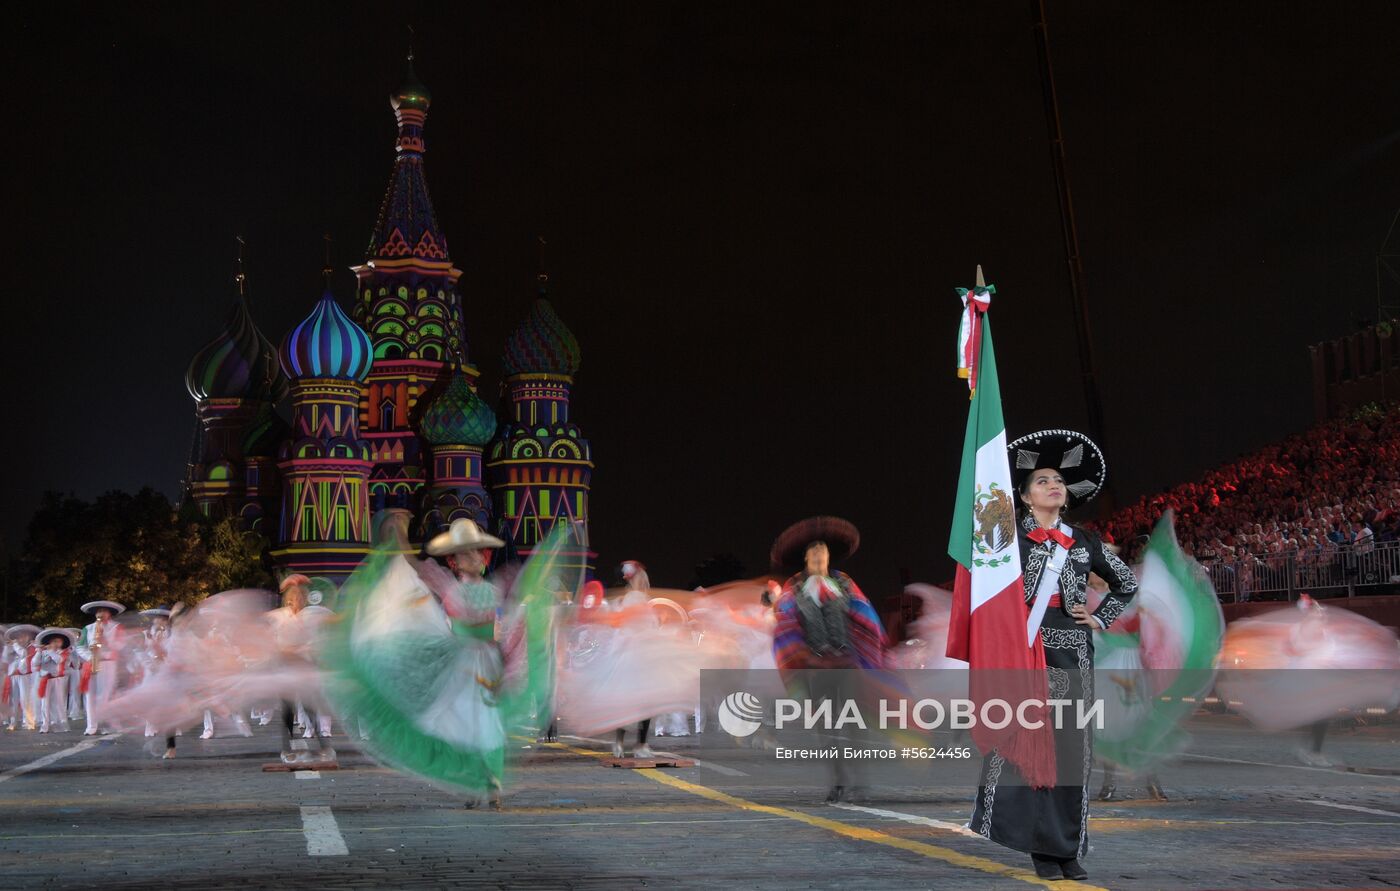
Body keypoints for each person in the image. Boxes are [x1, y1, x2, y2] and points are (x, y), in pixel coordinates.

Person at [970, 430, 1137, 882]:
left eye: (1058, 481)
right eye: (1041, 481)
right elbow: (981, 585)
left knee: (1070, 753)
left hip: (1073, 656)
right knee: (1025, 749)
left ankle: (1067, 847)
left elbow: (1126, 583)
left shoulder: (1083, 540)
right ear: (1024, 496)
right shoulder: (1005, 540)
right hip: (1025, 652)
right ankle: (1038, 847)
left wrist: (1100, 618)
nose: (1053, 486)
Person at [770, 516, 887, 803]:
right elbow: (783, 624)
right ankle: (838, 780)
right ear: (806, 556)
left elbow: (864, 615)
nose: (821, 553)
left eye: (824, 549)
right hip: (815, 668)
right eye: (815, 549)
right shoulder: (795, 587)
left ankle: (859, 779)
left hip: (846, 665)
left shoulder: (843, 582)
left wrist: (870, 645)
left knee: (854, 723)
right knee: (827, 726)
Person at [266, 575, 324, 761]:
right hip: (285, 669)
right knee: (288, 710)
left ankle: (324, 746)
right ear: (289, 598)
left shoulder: (311, 614)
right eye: (295, 597)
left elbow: (332, 621)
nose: (298, 600)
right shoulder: (280, 615)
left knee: (310, 708)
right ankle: (287, 748)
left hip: (304, 669)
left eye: (302, 597)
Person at [76, 600, 127, 735]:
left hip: (108, 663)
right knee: (89, 695)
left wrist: (107, 641)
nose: (101, 614)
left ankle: (106, 723)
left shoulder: (117, 627)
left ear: (109, 613)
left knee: (104, 695)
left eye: (104, 611)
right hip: (91, 663)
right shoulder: (88, 628)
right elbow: (80, 647)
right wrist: (89, 657)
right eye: (99, 611)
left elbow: (121, 645)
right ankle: (91, 726)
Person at [34, 628, 77, 733]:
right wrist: (39, 652)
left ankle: (61, 724)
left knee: (59, 702)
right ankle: (45, 725)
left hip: (58, 679)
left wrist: (50, 651)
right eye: (53, 641)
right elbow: (35, 663)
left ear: (62, 643)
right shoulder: (44, 652)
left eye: (58, 641)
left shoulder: (64, 653)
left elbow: (58, 660)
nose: (56, 643)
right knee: (45, 703)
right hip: (45, 679)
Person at [5, 625, 41, 731]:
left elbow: (23, 654)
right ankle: (13, 723)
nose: (21, 639)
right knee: (13, 700)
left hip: (26, 676)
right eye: (19, 637)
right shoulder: (12, 647)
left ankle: (29, 722)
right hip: (13, 676)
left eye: (24, 636)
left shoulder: (32, 647)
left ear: (29, 637)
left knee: (26, 699)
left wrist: (15, 645)